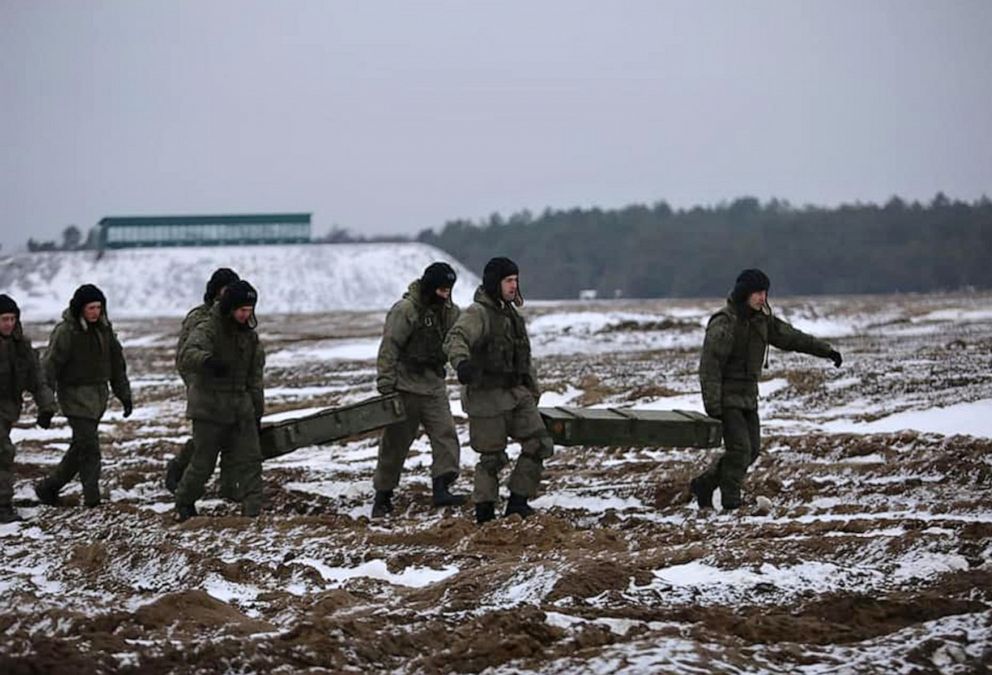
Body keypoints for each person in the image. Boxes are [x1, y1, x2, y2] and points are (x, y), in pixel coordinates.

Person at [691, 269, 843, 511]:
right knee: (739, 450)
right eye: (757, 293)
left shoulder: (762, 319)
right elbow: (709, 367)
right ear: (744, 294)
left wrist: (826, 351)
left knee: (751, 451)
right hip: (727, 398)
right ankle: (731, 504)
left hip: (748, 396)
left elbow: (791, 337)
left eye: (764, 293)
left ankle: (704, 484)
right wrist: (713, 405)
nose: (762, 298)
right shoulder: (724, 322)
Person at [444, 257, 554, 524]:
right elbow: (455, 339)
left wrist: (532, 390)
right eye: (508, 281)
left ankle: (518, 503)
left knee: (539, 444)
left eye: (516, 280)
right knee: (492, 459)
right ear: (495, 283)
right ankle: (484, 513)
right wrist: (462, 363)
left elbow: (524, 358)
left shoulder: (511, 316)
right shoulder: (477, 313)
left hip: (516, 395)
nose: (514, 286)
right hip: (486, 398)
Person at [371, 262, 466, 518]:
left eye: (449, 290)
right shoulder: (405, 310)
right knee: (395, 444)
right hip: (404, 386)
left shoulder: (450, 313)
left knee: (445, 434)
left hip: (433, 386)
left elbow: (459, 338)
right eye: (441, 289)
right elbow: (389, 346)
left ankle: (442, 487)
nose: (445, 295)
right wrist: (386, 383)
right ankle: (383, 496)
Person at [35, 284, 132, 508]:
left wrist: (124, 395)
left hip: (98, 398)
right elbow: (49, 369)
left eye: (99, 307)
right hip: (74, 398)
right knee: (90, 449)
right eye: (91, 308)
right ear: (81, 308)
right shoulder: (66, 332)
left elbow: (117, 366)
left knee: (79, 447)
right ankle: (92, 499)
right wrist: (46, 407)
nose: (95, 312)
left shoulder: (105, 330)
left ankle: (49, 487)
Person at [174, 280, 265, 521]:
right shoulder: (208, 329)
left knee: (251, 459)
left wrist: (257, 412)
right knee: (203, 462)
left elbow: (255, 379)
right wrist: (208, 361)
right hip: (209, 407)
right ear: (230, 308)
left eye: (250, 311)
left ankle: (253, 510)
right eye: (242, 310)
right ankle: (184, 502)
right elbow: (187, 354)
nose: (246, 316)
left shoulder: (250, 338)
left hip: (240, 407)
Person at [165, 268, 241, 497]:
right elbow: (185, 357)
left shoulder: (234, 316)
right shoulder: (200, 318)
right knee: (206, 437)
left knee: (229, 436)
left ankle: (230, 488)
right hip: (204, 388)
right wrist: (197, 384)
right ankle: (178, 471)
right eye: (227, 289)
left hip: (229, 389)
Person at [0, 295, 56, 522]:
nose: (9, 324)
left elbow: (37, 378)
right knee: (3, 453)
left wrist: (46, 406)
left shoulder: (21, 347)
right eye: (4, 319)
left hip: (7, 410)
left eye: (12, 319)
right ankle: (2, 506)